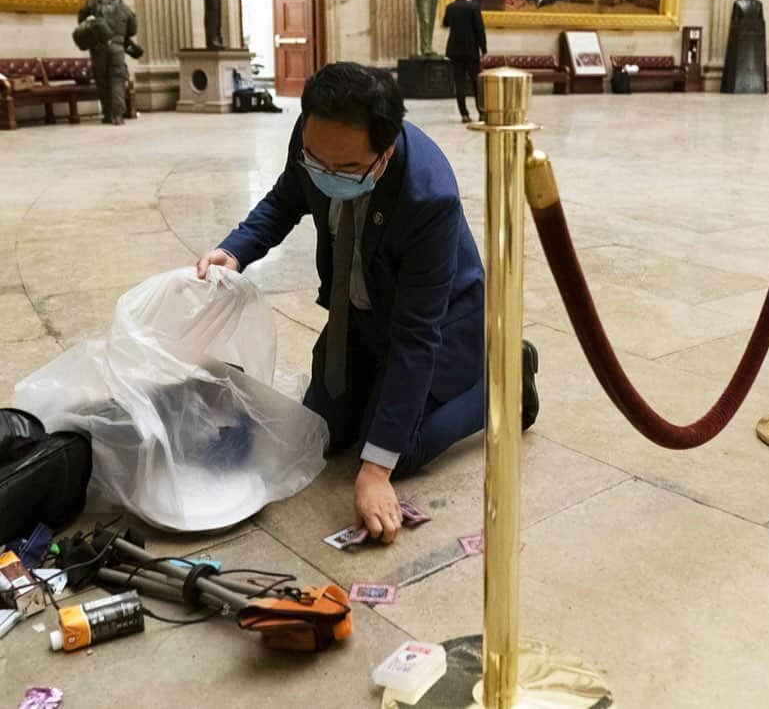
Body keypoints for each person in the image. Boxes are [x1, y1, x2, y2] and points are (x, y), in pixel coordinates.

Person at [196, 63, 539, 543]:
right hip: (361, 313)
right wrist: (234, 251)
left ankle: (506, 382)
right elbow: (285, 198)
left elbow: (418, 336)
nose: (328, 174)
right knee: (321, 431)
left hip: (444, 322)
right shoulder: (318, 132)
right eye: (319, 162)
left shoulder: (428, 196)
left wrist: (377, 472)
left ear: (387, 149)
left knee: (401, 448)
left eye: (349, 168)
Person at [76, 0, 138, 125]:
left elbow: (81, 20)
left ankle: (107, 114)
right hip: (117, 49)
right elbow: (133, 30)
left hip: (98, 48)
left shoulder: (92, 3)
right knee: (117, 80)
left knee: (102, 81)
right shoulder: (125, 8)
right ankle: (118, 116)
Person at [443, 0, 488, 122]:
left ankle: (464, 114)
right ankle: (481, 112)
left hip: (455, 51)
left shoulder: (450, 7)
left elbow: (445, 24)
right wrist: (484, 48)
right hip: (471, 50)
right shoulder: (473, 7)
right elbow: (480, 30)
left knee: (459, 83)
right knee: (476, 82)